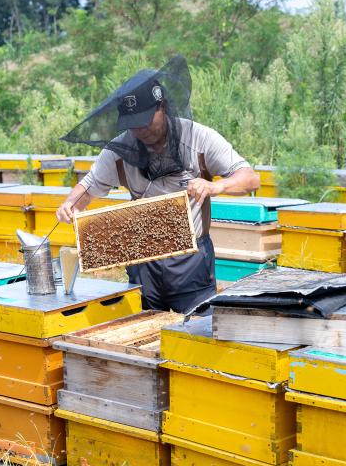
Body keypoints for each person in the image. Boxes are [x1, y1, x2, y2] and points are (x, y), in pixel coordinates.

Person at [57, 55, 260, 313]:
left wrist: (215, 187)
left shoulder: (199, 138)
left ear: (161, 106)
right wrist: (69, 205)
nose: (140, 130)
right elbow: (89, 186)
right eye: (133, 125)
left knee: (194, 334)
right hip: (142, 263)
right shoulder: (119, 149)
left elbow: (250, 178)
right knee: (144, 331)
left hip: (191, 263)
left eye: (145, 121)